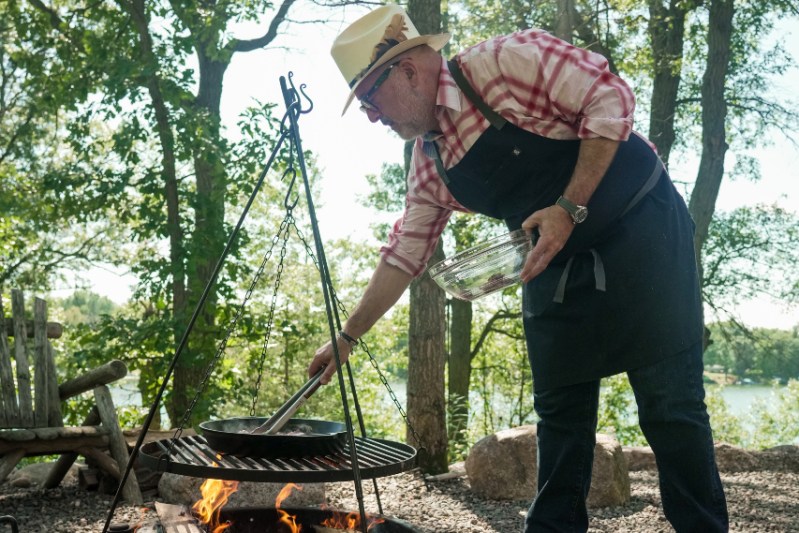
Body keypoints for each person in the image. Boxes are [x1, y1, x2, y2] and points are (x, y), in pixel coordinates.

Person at [309, 5, 729, 532]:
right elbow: (405, 253)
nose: (372, 116)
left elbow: (610, 96)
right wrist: (347, 337)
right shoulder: (428, 161)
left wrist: (569, 208)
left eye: (370, 99)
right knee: (560, 421)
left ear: (408, 71)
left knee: (671, 409)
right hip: (551, 262)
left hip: (640, 230)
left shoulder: (504, 64)